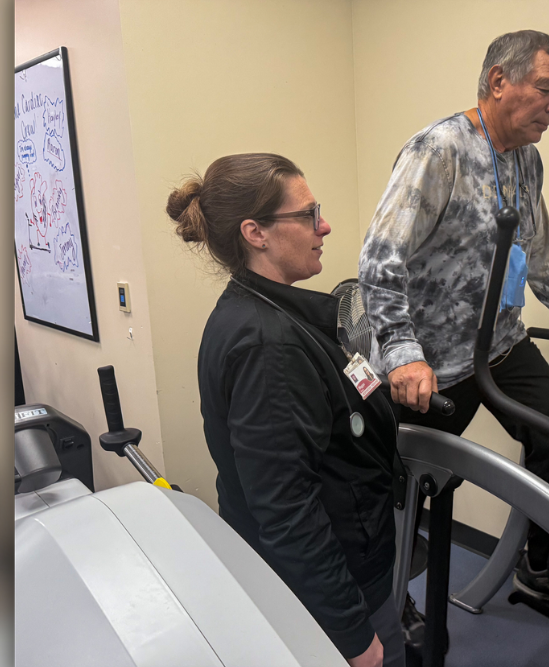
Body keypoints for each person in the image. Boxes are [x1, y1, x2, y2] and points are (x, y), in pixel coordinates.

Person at [358, 30, 549, 619]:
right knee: (398, 489)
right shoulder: (439, 150)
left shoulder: (527, 160)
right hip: (430, 362)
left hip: (499, 346)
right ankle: (381, 608)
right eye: (546, 89)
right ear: (499, 81)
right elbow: (380, 259)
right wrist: (401, 353)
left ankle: (541, 568)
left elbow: (538, 253)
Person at [168, 153, 404, 667]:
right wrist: (352, 634)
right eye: (308, 214)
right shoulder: (267, 346)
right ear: (256, 233)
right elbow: (287, 511)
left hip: (342, 562)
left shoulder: (267, 313)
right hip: (331, 588)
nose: (325, 226)